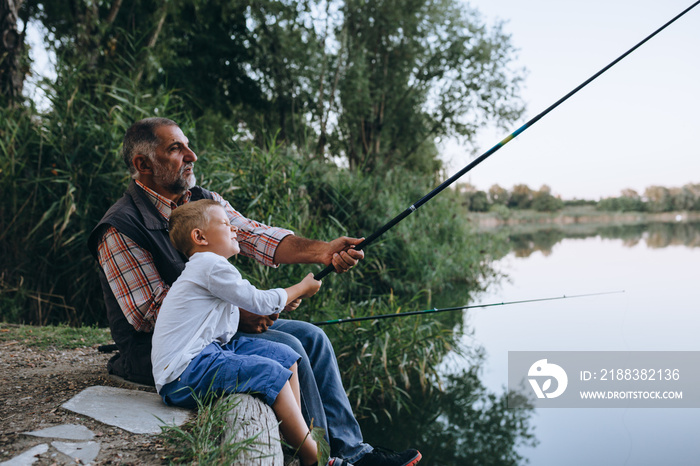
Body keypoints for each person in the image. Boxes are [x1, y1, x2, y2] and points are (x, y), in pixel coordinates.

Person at [87, 117, 422, 466]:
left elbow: (256, 237)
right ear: (142, 164)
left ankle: (353, 451)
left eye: (187, 145)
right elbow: (148, 314)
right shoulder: (120, 227)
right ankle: (321, 457)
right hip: (168, 354)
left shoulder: (203, 201)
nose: (192, 155)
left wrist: (323, 251)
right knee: (289, 345)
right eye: (175, 149)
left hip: (220, 333)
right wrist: (243, 312)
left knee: (313, 337)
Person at [152, 199, 346, 466]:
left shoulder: (207, 268)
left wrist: (282, 301)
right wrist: (301, 288)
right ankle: (316, 460)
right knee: (270, 374)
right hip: (183, 373)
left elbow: (241, 309)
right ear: (199, 237)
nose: (234, 229)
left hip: (206, 356)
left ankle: (296, 442)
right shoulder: (209, 264)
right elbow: (259, 301)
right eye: (225, 224)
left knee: (286, 357)